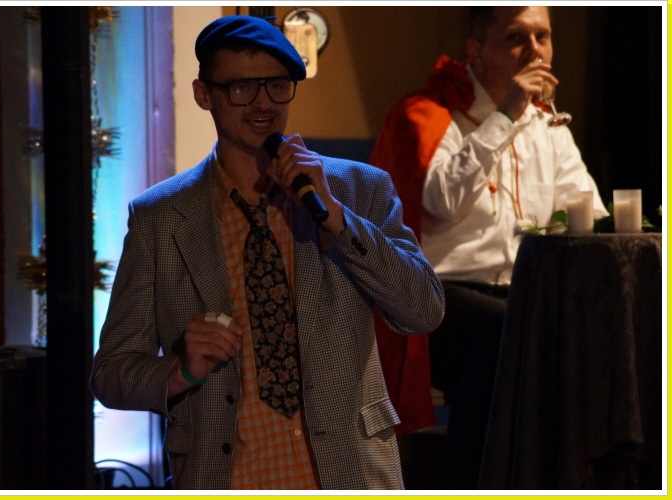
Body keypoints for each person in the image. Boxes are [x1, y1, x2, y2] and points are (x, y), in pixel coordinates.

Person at [90, 15, 445, 490]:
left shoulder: (358, 190)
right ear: (204, 94)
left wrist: (336, 218)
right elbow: (112, 374)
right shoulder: (160, 217)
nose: (263, 103)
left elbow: (423, 310)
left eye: (277, 85)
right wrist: (180, 372)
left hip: (348, 475)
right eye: (241, 88)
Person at [370, 6, 608, 489]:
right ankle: (471, 484)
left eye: (543, 36)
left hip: (523, 293)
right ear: (476, 51)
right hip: (438, 298)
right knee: (505, 333)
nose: (534, 50)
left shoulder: (549, 128)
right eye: (516, 38)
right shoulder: (431, 113)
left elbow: (588, 212)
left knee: (587, 330)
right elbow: (440, 201)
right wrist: (504, 117)